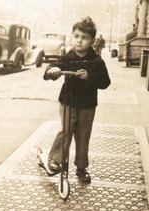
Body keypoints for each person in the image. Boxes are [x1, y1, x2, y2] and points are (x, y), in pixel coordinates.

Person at [43, 17, 111, 183]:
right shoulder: (68, 57)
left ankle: (81, 167)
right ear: (72, 36)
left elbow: (105, 82)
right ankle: (55, 160)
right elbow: (52, 69)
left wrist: (90, 77)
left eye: (85, 38)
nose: (79, 41)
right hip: (68, 102)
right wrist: (53, 71)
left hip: (87, 105)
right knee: (66, 130)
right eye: (77, 36)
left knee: (83, 135)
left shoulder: (96, 61)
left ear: (92, 41)